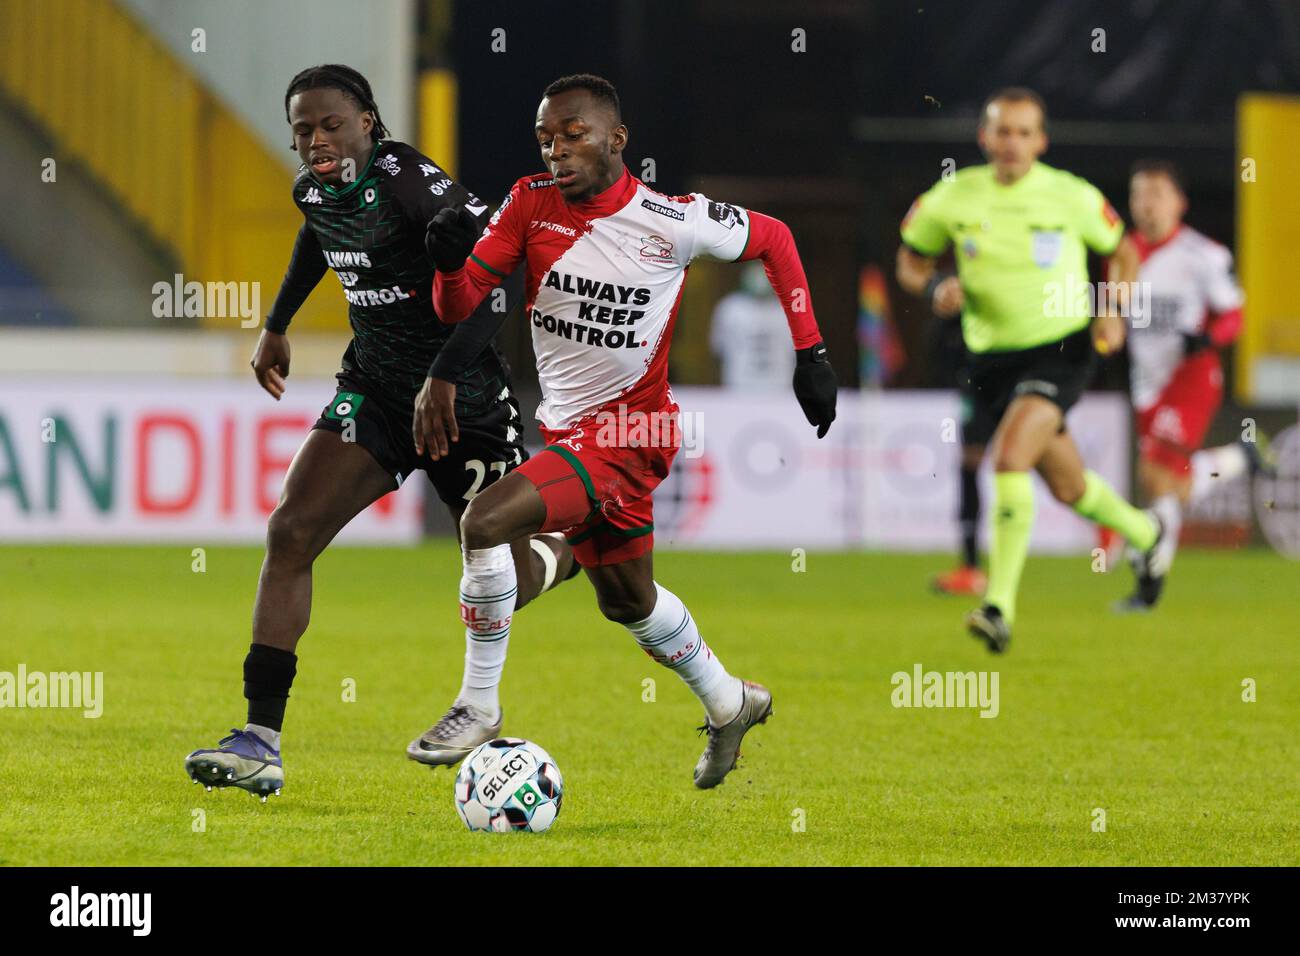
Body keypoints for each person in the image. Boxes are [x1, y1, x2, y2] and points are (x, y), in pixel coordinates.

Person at [423, 73, 838, 787]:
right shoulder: (529, 204)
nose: (556, 149)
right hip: (567, 438)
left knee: (484, 521)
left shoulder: (672, 220)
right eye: (545, 137)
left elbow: (776, 238)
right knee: (628, 602)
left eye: (573, 133)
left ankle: (477, 705)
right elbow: (458, 303)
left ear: (618, 139)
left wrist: (812, 351)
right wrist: (447, 261)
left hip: (630, 434)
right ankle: (731, 702)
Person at [184, 64, 576, 801]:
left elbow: (495, 289)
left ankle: (565, 555)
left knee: (504, 580)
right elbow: (318, 238)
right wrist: (276, 325)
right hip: (374, 390)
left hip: (467, 399)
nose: (316, 140)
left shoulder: (409, 181)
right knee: (291, 532)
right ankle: (260, 740)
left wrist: (446, 377)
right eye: (303, 128)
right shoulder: (313, 186)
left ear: (368, 121)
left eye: (331, 124)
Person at [896, 87, 1167, 653]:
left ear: (1041, 140)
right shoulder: (952, 196)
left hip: (1061, 347)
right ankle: (1147, 532)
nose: (1013, 143)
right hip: (989, 360)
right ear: (985, 137)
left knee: (1011, 457)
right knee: (1068, 485)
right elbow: (910, 258)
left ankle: (999, 606)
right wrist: (933, 285)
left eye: (1024, 132)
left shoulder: (1070, 195)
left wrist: (1113, 310)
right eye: (1003, 131)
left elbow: (1123, 251)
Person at [1116, 159, 1275, 609]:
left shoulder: (1203, 255)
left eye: (1157, 195)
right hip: (1146, 382)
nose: (1146, 205)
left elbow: (1235, 314)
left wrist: (1206, 337)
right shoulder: (1122, 254)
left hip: (1191, 377)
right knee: (1164, 485)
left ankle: (1148, 573)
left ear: (1179, 203)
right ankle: (1238, 458)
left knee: (1156, 475)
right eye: (1138, 195)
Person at [709, 261, 797, 390]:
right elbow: (718, 346)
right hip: (738, 386)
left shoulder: (790, 309)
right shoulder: (730, 307)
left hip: (780, 388)